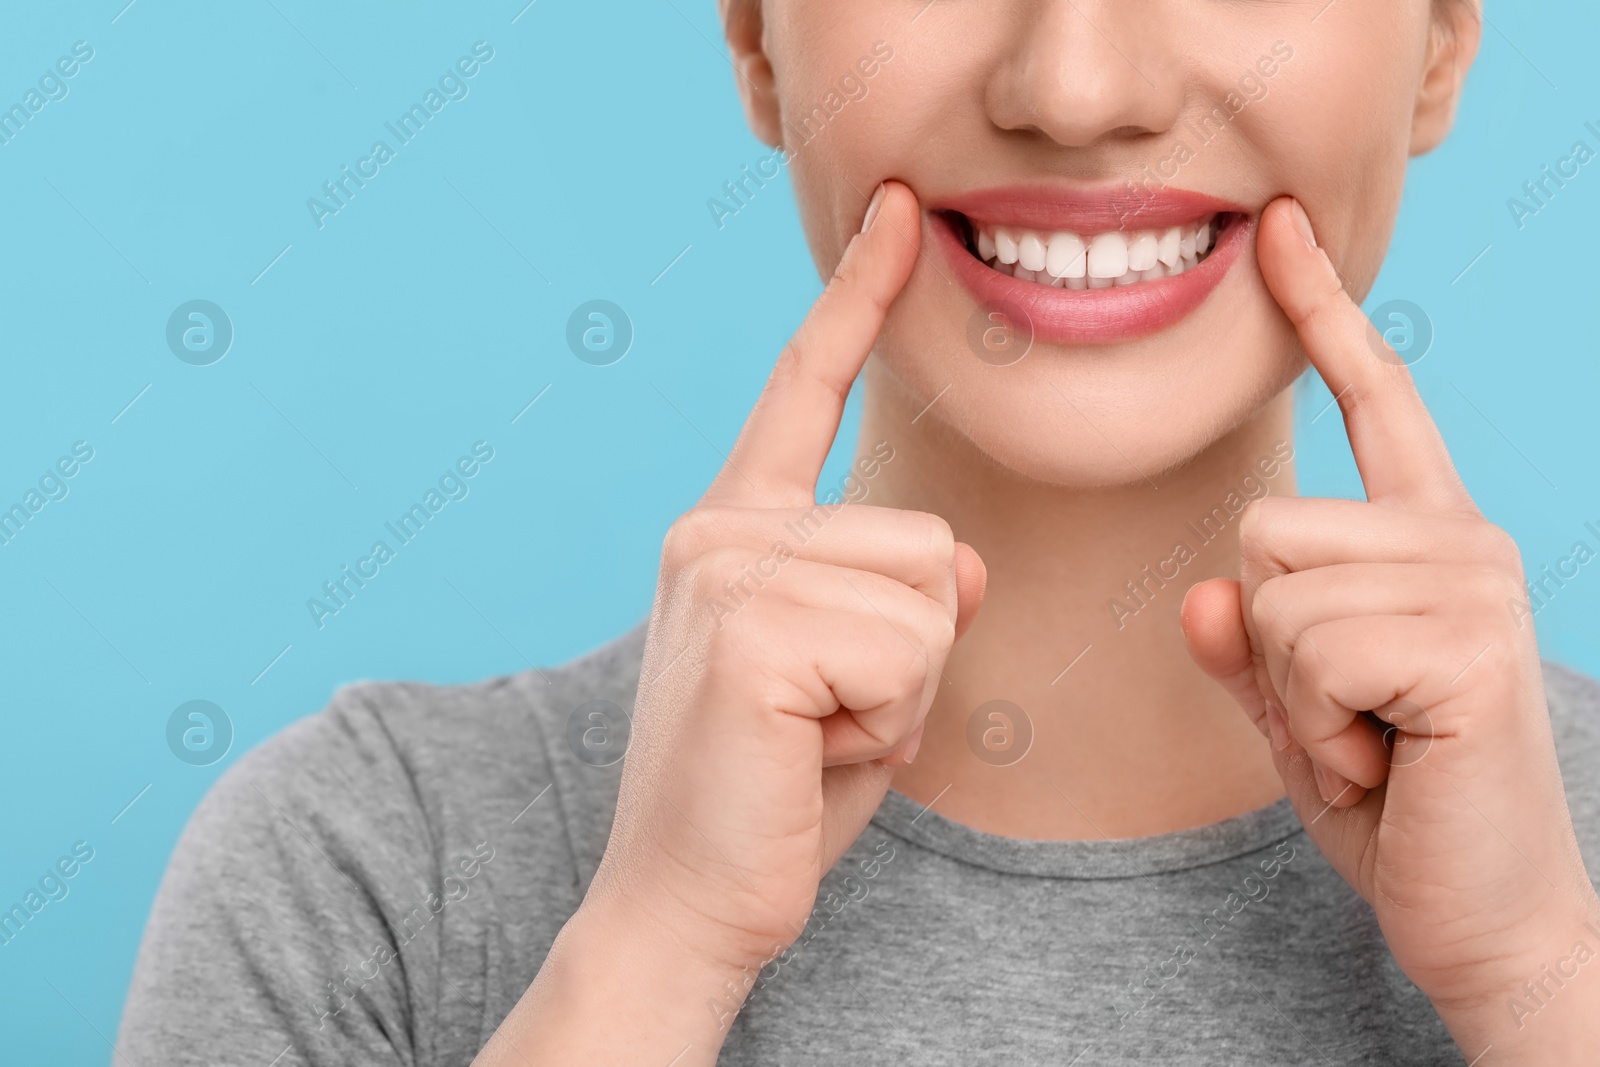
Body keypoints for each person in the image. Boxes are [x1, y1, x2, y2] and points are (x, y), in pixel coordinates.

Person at [118, 0, 1600, 1063]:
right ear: (759, 42)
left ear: (1445, 47)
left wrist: (1541, 978)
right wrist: (654, 958)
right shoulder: (371, 871)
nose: (1076, 86)